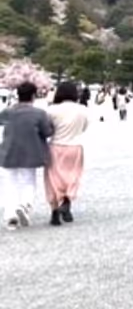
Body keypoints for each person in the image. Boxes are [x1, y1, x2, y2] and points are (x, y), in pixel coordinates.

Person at [0, 81, 54, 230]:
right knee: (28, 181)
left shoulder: (7, 111)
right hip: (31, 151)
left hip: (8, 151)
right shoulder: (39, 113)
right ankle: (24, 206)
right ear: (33, 95)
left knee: (10, 184)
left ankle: (10, 215)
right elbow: (48, 132)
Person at [45, 81, 89, 226]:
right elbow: (84, 127)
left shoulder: (52, 110)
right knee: (73, 177)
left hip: (56, 146)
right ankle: (67, 201)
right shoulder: (82, 109)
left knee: (53, 179)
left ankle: (54, 211)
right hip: (75, 146)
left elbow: (47, 129)